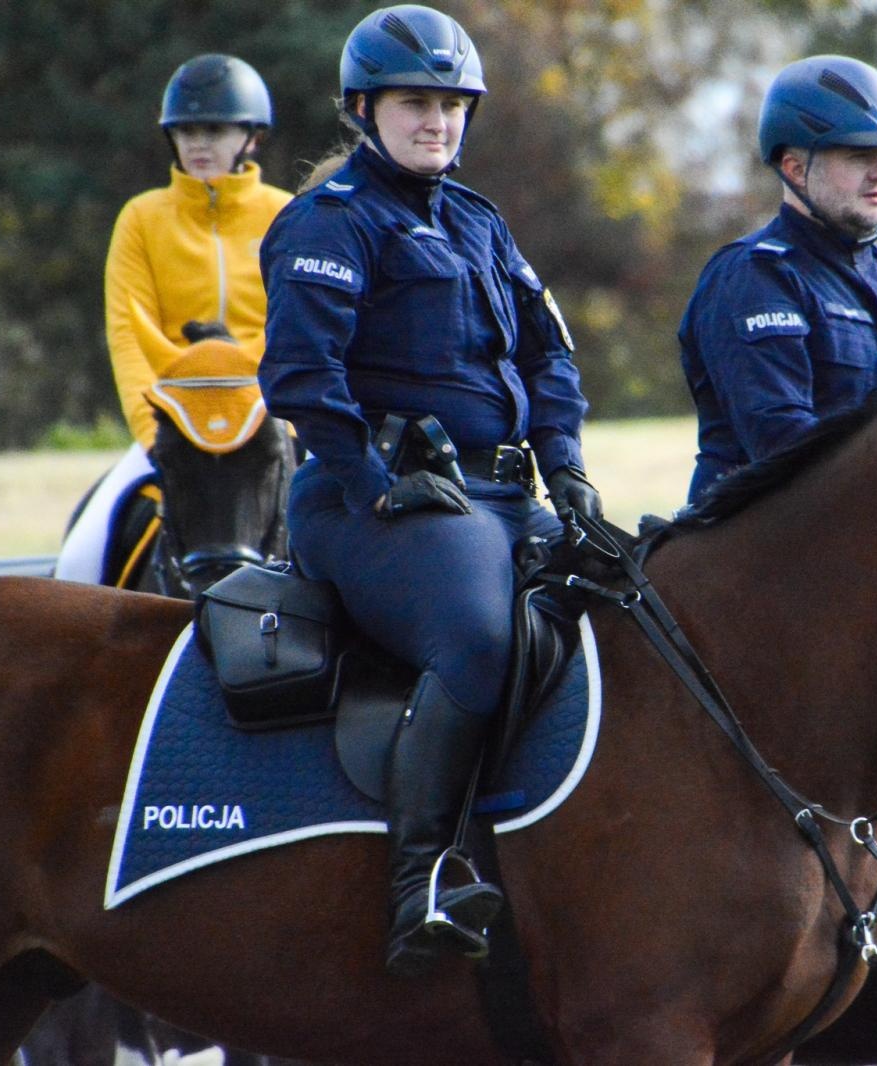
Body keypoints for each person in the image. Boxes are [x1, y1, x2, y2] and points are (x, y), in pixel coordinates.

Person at [256, 4, 599, 978]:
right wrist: (373, 479)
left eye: (451, 105)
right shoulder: (331, 221)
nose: (436, 122)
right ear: (364, 109)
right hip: (366, 502)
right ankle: (424, 883)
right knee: (479, 639)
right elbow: (301, 382)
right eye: (416, 103)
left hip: (495, 496)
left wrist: (565, 466)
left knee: (625, 605)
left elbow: (547, 356)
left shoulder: (480, 221)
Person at [55, 53, 292, 584]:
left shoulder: (287, 215)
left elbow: (302, 328)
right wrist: (153, 435)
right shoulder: (141, 219)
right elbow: (127, 334)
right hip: (174, 431)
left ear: (251, 138)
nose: (200, 144)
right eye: (186, 132)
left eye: (214, 130)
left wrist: (291, 425)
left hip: (270, 425)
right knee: (78, 561)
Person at [677, 55, 877, 505]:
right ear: (794, 168)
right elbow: (784, 448)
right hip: (761, 553)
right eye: (859, 154)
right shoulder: (754, 277)